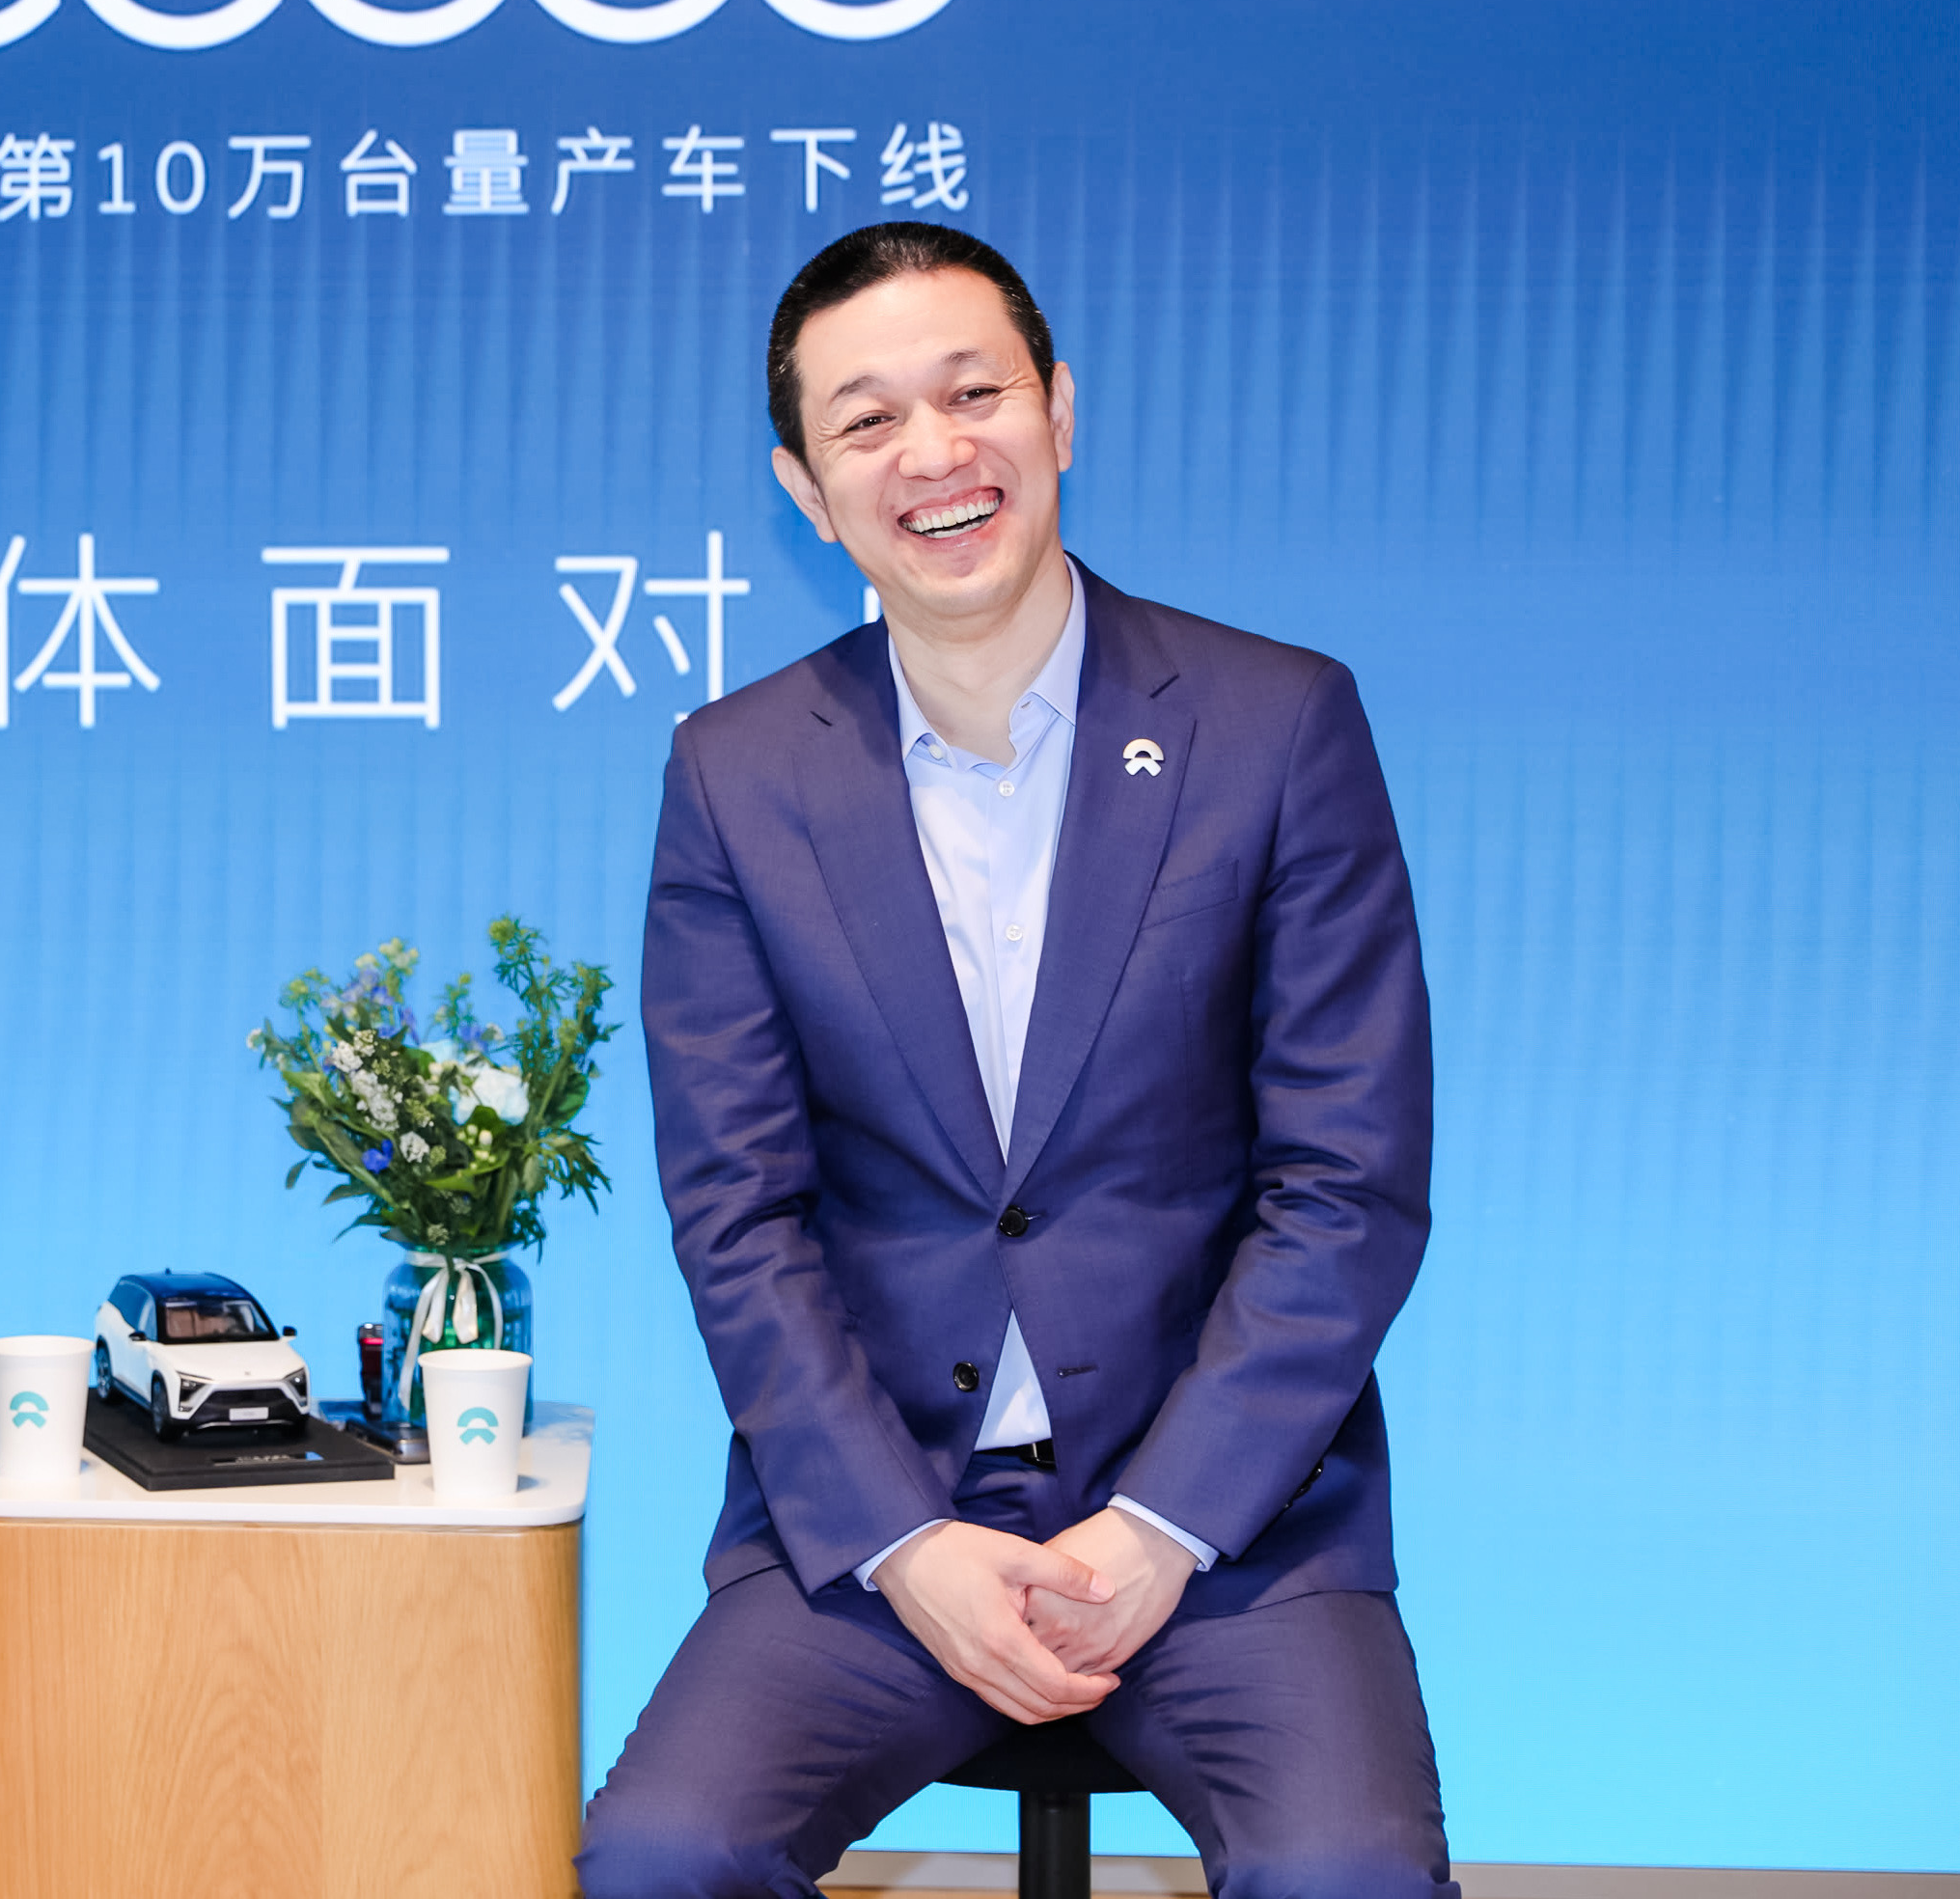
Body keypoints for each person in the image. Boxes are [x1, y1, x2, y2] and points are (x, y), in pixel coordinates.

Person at [577, 225, 1454, 1899]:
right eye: (865, 422)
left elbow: (1346, 1182)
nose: (932, 453)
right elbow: (738, 1216)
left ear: (1058, 409)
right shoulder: (737, 774)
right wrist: (902, 1542)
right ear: (805, 488)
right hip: (874, 1511)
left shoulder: (1275, 725)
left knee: (1347, 1878)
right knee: (662, 1858)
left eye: (972, 394)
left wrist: (1162, 1526)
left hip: (1232, 1520)